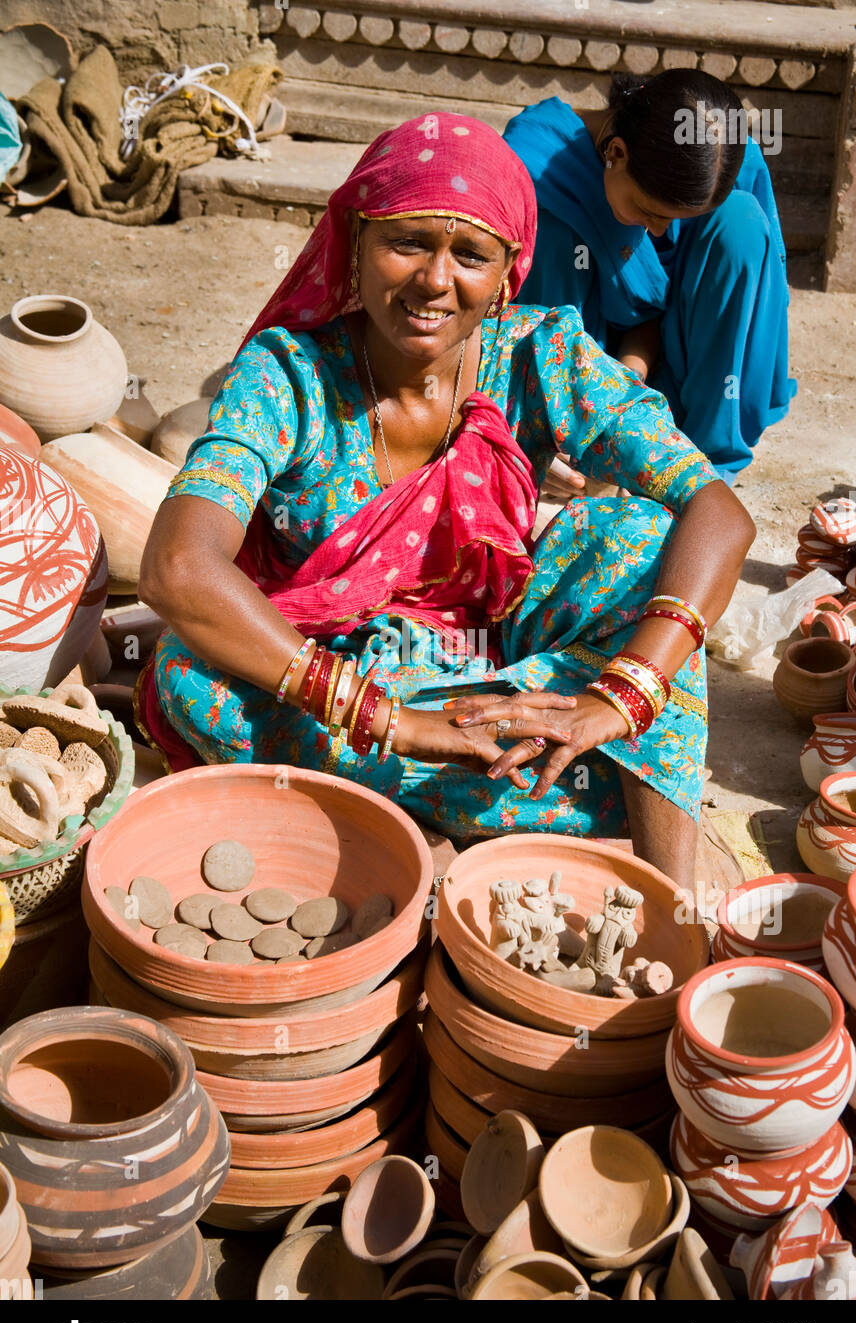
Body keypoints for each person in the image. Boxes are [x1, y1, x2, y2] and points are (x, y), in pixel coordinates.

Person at [136, 113, 755, 892]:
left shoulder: (541, 351)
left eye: (469, 254)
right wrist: (395, 723)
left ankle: (669, 896)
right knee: (188, 670)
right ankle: (581, 788)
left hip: (500, 644)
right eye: (406, 243)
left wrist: (623, 697)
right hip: (344, 673)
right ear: (355, 247)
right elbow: (175, 568)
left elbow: (716, 510)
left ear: (506, 276)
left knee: (640, 534)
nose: (434, 279)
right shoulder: (287, 375)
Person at [504, 70, 796, 480]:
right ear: (616, 153)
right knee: (554, 227)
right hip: (587, 363)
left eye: (676, 219)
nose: (658, 232)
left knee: (742, 224)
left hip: (686, 360)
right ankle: (556, 421)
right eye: (649, 212)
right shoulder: (536, 163)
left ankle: (700, 449)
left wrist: (631, 381)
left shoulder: (724, 156)